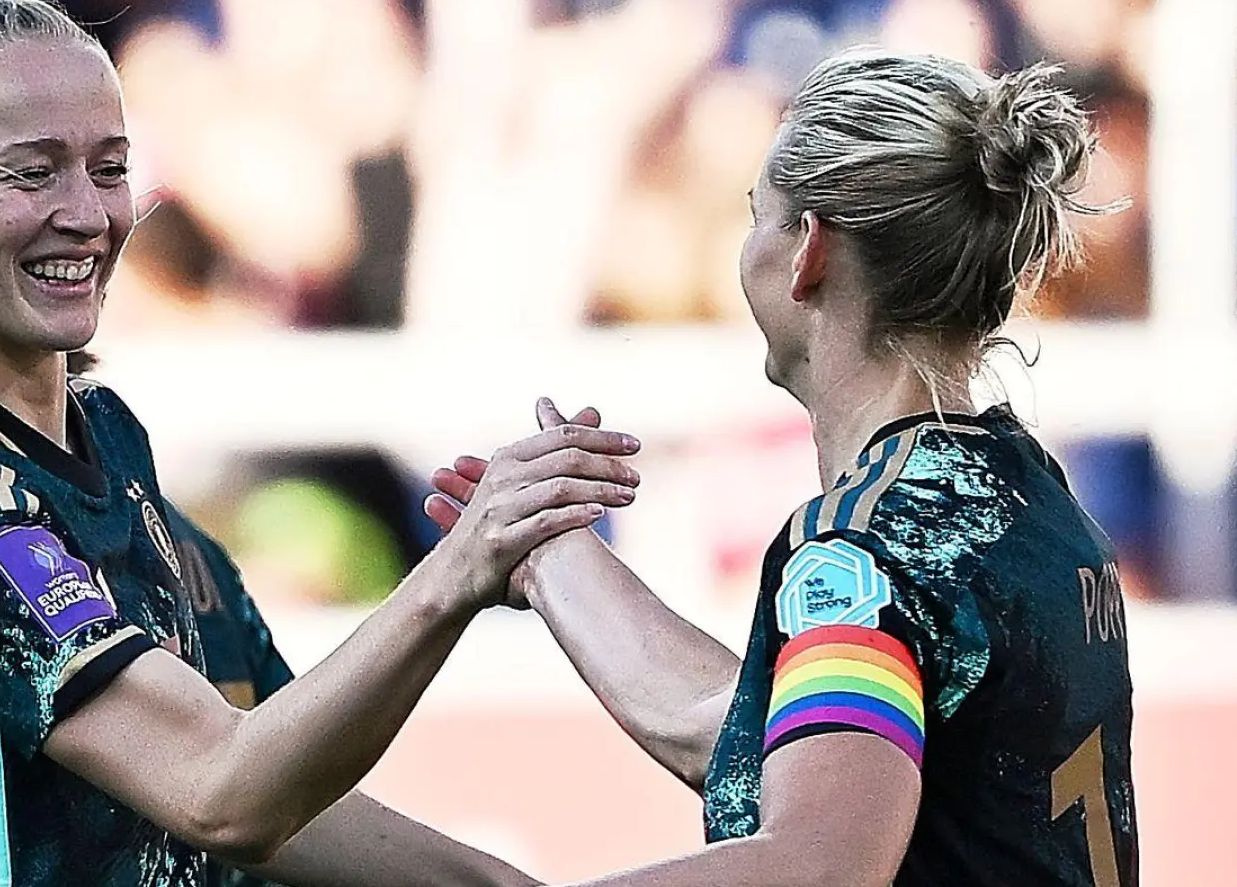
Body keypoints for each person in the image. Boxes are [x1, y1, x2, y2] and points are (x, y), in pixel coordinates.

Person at [0, 0, 642, 885]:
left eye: (110, 167)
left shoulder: (104, 438)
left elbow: (271, 768)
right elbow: (222, 794)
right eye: (32, 173)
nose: (87, 214)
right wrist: (457, 569)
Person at [429, 50, 1139, 886]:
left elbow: (820, 864)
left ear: (808, 251)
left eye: (756, 214)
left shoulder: (865, 546)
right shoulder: (1026, 492)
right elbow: (782, 740)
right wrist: (551, 553)